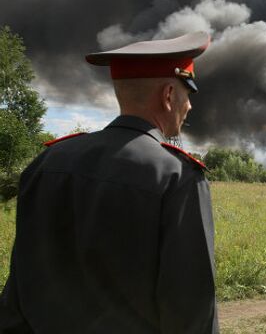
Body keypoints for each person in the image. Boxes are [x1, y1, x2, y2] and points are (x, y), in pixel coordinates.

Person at [0, 32, 218, 333]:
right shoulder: (177, 176)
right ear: (168, 96)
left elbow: (18, 286)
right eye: (187, 94)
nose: (190, 107)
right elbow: (190, 305)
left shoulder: (46, 162)